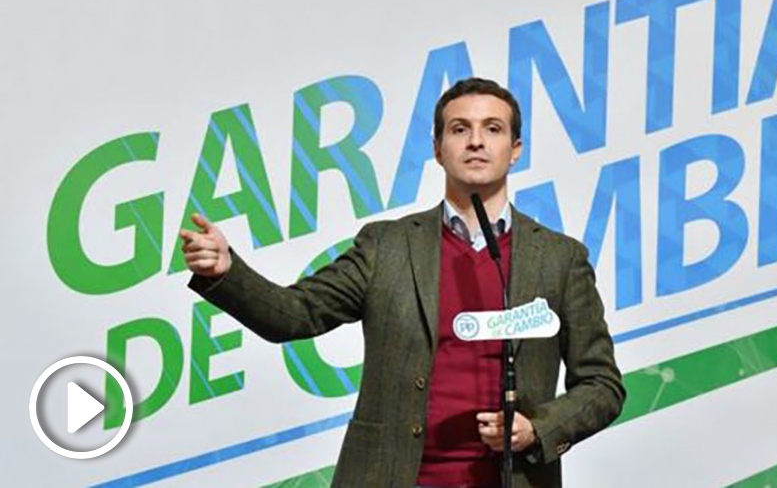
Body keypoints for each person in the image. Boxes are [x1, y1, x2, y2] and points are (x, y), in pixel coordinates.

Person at [182, 77, 625, 487]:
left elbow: (602, 385)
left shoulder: (560, 259)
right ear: (437, 147)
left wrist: (537, 430)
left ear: (515, 149)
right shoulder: (386, 247)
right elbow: (294, 315)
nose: (475, 140)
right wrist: (226, 271)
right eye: (458, 129)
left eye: (492, 128)